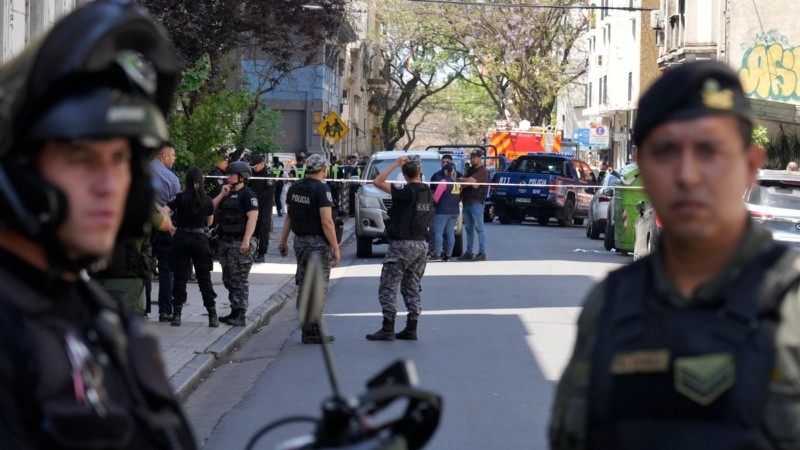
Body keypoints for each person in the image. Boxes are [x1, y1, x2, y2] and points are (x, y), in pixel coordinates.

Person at [549, 61, 800, 449]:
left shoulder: (793, 304)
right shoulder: (612, 306)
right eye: (665, 151)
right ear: (641, 170)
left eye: (709, 150)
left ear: (750, 166)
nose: (687, 175)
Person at [0, 1, 197, 447]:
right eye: (81, 159)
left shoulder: (88, 309)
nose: (110, 186)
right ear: (19, 172)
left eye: (120, 160)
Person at [366, 156, 434, 341]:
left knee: (388, 285)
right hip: (421, 244)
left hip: (402, 244)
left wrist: (396, 164)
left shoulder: (406, 191)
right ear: (420, 173)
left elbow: (377, 182)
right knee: (412, 286)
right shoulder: (427, 191)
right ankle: (412, 327)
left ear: (404, 175)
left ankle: (388, 327)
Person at [278, 154, 341, 344]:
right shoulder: (322, 189)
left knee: (305, 284)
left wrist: (283, 241)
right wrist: (336, 248)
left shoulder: (295, 187)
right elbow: (327, 221)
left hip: (300, 242)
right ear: (324, 169)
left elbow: (289, 216)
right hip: (318, 244)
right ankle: (313, 330)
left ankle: (307, 328)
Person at [94, 205, 172, 316]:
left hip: (97, 281)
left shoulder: (95, 205)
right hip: (128, 281)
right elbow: (166, 224)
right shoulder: (140, 205)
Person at [167, 167, 218, 327]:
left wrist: (171, 227)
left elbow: (164, 210)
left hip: (181, 237)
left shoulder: (180, 198)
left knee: (180, 277)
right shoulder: (207, 200)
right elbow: (210, 222)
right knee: (204, 278)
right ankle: (212, 315)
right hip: (200, 238)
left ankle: (177, 314)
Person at [212, 160, 259, 327]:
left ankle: (240, 314)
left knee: (239, 280)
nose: (229, 177)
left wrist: (246, 240)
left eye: (232, 174)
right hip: (225, 242)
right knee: (228, 279)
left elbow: (253, 218)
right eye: (229, 174)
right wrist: (221, 195)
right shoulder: (227, 193)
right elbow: (210, 209)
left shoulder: (248, 195)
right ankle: (234, 309)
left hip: (240, 242)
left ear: (242, 176)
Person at [150, 141, 180, 321]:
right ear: (165, 156)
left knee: (142, 266)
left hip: (143, 226)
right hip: (166, 227)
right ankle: (165, 310)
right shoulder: (172, 178)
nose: (174, 159)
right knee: (166, 269)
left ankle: (142, 308)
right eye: (173, 156)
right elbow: (177, 204)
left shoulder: (140, 172)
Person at [457, 149, 489, 261]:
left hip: (476, 202)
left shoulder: (483, 170)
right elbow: (465, 184)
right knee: (469, 229)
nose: (472, 159)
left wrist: (463, 180)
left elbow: (473, 183)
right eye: (471, 157)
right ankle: (469, 252)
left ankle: (482, 252)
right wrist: (466, 181)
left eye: (474, 157)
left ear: (480, 158)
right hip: (466, 202)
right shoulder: (470, 169)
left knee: (479, 228)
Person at [431, 162, 461, 262]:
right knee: (450, 233)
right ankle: (448, 255)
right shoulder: (457, 183)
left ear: (446, 171)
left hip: (442, 211)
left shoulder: (443, 182)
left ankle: (437, 254)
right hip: (455, 211)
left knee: (438, 233)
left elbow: (435, 198)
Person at [249, 154, 276, 263]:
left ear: (262, 164)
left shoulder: (269, 175)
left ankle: (262, 253)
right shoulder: (251, 173)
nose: (254, 168)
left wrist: (253, 195)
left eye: (256, 166)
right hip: (252, 207)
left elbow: (269, 192)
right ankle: (251, 250)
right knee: (252, 229)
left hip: (264, 206)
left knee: (263, 230)